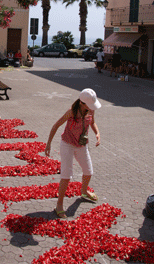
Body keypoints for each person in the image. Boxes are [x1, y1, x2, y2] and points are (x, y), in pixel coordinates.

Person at [45, 88, 101, 219]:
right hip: (67, 145)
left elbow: (93, 123)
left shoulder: (90, 110)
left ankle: (84, 191)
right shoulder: (71, 112)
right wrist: (48, 144)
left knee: (88, 171)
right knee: (66, 175)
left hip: (81, 145)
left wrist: (97, 133)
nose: (91, 107)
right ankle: (59, 205)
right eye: (89, 104)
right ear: (82, 103)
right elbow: (56, 125)